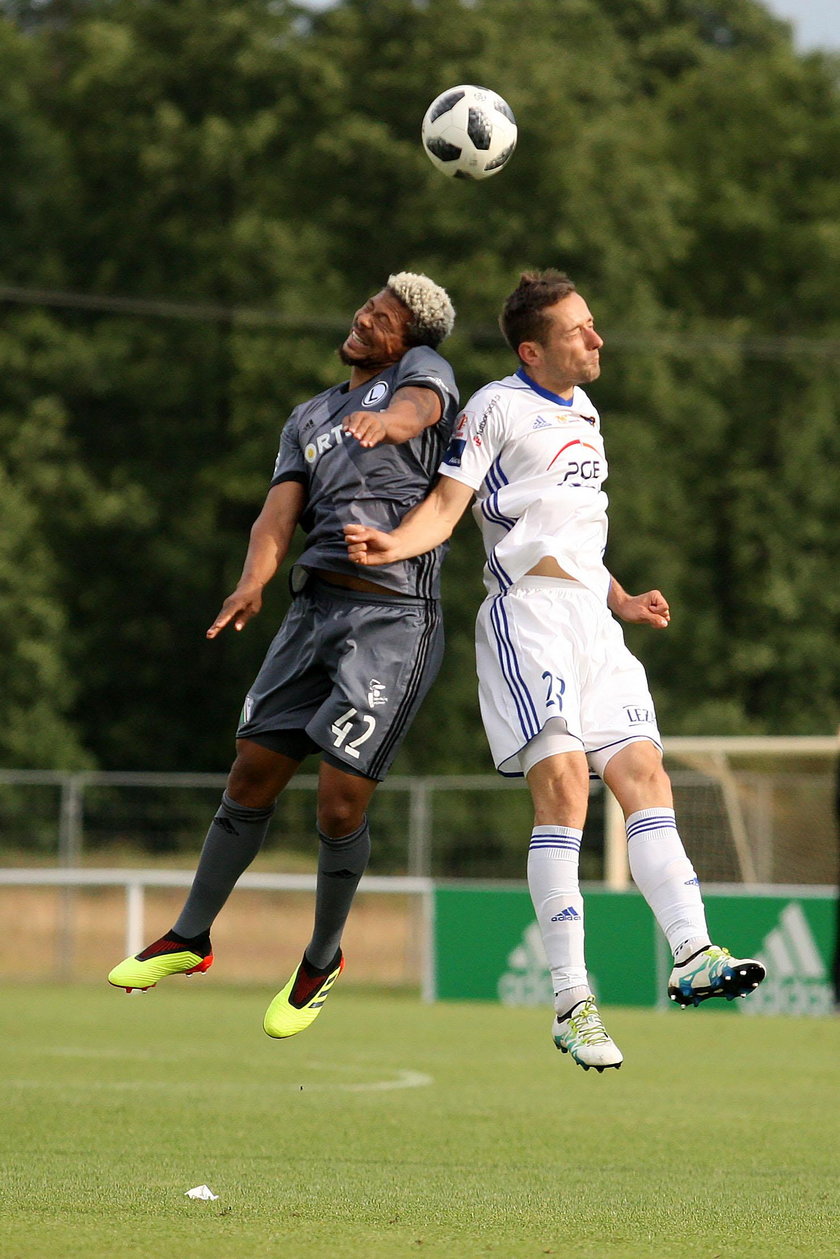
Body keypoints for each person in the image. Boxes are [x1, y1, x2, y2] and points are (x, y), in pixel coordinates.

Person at [345, 269, 766, 1072]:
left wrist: (622, 596)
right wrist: (394, 544)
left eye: (594, 325)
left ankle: (692, 952)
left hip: (593, 624)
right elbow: (448, 503)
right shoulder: (496, 406)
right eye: (580, 331)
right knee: (568, 785)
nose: (598, 339)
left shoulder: (588, 411)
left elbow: (573, 533)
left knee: (645, 773)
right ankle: (573, 1002)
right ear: (534, 349)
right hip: (527, 618)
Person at [108, 272, 459, 1039]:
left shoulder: (422, 377)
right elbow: (277, 513)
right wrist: (250, 583)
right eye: (368, 308)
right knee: (251, 771)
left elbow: (420, 408)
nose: (366, 320)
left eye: (385, 319)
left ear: (409, 341)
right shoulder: (308, 414)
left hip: (393, 617)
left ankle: (322, 957)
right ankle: (192, 937)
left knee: (338, 801)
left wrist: (394, 426)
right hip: (310, 612)